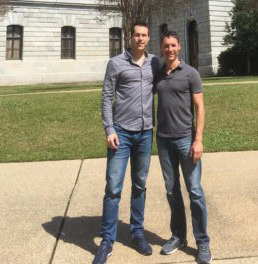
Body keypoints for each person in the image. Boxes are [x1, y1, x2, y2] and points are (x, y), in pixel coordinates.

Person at [93, 22, 160, 264]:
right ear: (130, 37)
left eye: (144, 35)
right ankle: (107, 241)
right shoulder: (116, 63)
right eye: (137, 35)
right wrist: (109, 128)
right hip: (120, 134)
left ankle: (137, 233)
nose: (140, 39)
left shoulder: (155, 63)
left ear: (148, 38)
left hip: (145, 134)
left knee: (140, 185)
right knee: (113, 188)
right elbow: (106, 96)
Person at [154, 30, 212, 264]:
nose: (169, 49)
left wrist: (198, 140)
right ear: (161, 48)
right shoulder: (157, 74)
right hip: (163, 140)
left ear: (180, 47)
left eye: (173, 45)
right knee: (172, 191)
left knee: (195, 191)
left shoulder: (191, 73)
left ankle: (203, 243)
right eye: (166, 45)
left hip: (186, 140)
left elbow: (200, 108)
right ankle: (178, 236)